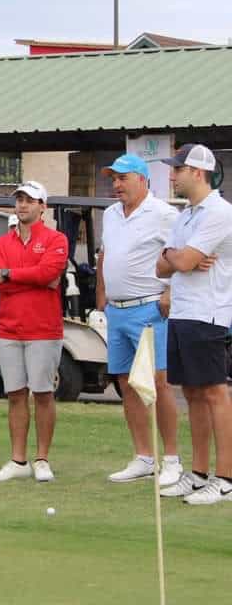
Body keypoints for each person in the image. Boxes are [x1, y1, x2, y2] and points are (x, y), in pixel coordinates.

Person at [95, 154, 182, 486]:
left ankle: (171, 459)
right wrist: (101, 294)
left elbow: (182, 253)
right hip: (116, 310)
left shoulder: (163, 214)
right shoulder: (111, 214)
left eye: (122, 178)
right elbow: (105, 255)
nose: (116, 185)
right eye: (113, 179)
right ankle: (144, 457)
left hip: (149, 308)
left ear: (142, 179)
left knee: (158, 385)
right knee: (125, 383)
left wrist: (171, 292)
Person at [156, 144, 232, 505]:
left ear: (197, 173)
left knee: (215, 393)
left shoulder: (218, 212)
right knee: (192, 394)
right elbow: (164, 265)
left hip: (209, 313)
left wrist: (177, 257)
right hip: (183, 312)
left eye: (177, 169)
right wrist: (176, 256)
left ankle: (227, 478)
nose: (172, 175)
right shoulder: (186, 214)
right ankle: (199, 474)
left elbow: (182, 262)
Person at [0, 181, 68, 483]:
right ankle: (18, 460)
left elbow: (50, 274)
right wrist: (21, 276)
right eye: (19, 200)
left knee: (43, 393)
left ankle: (42, 458)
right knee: (15, 394)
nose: (23, 205)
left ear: (42, 206)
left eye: (30, 201)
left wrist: (10, 273)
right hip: (9, 328)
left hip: (43, 329)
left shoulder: (57, 239)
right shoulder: (0, 244)